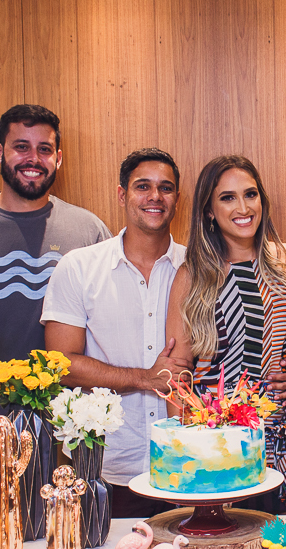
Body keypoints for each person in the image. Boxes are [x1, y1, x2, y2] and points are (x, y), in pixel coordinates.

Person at [0, 105, 109, 504]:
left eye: (45, 149)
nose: (33, 159)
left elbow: (105, 330)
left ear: (58, 158)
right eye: (20, 147)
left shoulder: (88, 230)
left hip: (65, 435)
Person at [42, 149, 189, 518]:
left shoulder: (199, 268)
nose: (155, 196)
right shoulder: (79, 267)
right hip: (107, 468)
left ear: (177, 199)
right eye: (143, 187)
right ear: (122, 195)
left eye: (165, 188)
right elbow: (60, 364)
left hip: (190, 465)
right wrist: (145, 379)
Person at [165, 155, 286, 511]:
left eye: (251, 194)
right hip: (220, 442)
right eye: (227, 198)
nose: (243, 207)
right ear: (209, 211)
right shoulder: (193, 276)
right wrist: (196, 451)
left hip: (281, 434)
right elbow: (176, 371)